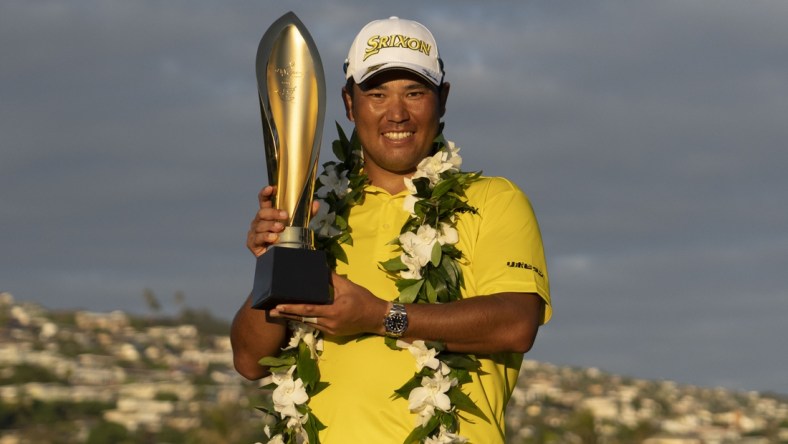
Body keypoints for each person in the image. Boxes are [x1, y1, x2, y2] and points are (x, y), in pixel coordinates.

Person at [232, 16, 552, 443]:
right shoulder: (318, 212)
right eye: (377, 94)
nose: (396, 113)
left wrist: (381, 316)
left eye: (415, 93)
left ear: (443, 99)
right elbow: (251, 360)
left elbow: (516, 324)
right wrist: (277, 259)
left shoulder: (494, 199)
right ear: (349, 103)